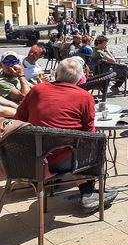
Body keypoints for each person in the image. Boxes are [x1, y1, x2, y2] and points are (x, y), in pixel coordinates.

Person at [15, 58, 117, 212]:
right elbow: (89, 134)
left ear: (56, 73)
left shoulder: (37, 90)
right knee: (94, 146)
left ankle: (84, 190)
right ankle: (87, 192)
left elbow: (19, 119)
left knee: (68, 146)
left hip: (30, 158)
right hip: (60, 162)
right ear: (80, 78)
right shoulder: (84, 96)